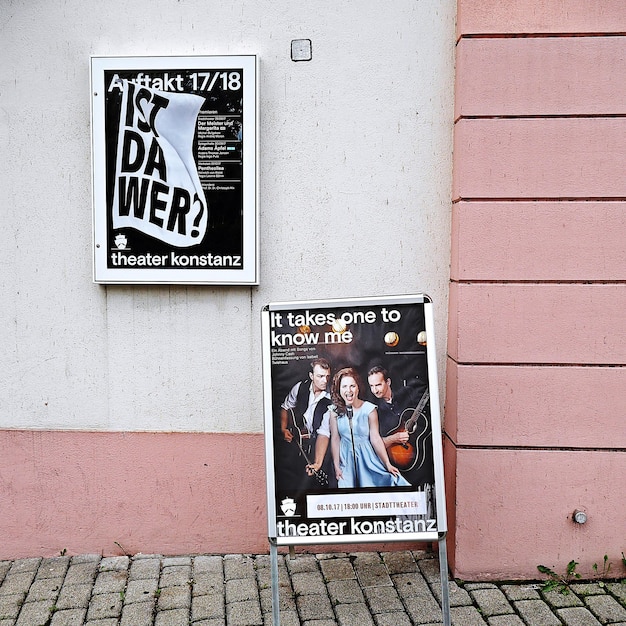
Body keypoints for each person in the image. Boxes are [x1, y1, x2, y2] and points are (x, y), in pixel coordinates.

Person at [322, 367, 409, 489]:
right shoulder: (334, 411)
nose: (349, 390)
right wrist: (336, 465)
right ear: (339, 389)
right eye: (344, 386)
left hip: (367, 458)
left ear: (358, 387)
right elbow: (335, 439)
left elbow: (375, 438)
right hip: (345, 460)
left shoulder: (369, 409)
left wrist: (387, 464)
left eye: (352, 386)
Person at [367, 366, 432, 487]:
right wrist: (393, 438)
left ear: (388, 382)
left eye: (378, 385)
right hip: (398, 467)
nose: (375, 390)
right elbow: (371, 446)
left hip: (424, 459)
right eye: (371, 386)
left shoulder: (407, 393)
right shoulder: (373, 411)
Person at [278, 358, 334, 490]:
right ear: (311, 376)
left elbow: (325, 433)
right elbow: (285, 407)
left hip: (319, 447)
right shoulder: (300, 387)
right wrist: (283, 428)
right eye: (320, 376)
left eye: (327, 377)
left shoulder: (331, 398)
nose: (324, 381)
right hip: (298, 443)